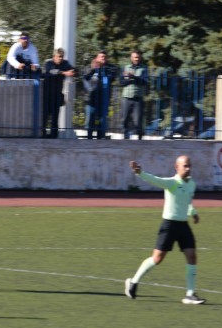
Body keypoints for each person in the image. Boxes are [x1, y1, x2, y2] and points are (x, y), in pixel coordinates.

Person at [124, 156, 206, 304]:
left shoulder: (192, 184)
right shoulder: (171, 183)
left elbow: (187, 202)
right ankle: (133, 282)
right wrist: (140, 172)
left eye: (189, 166)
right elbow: (154, 179)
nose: (188, 169)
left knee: (192, 256)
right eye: (185, 166)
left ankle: (190, 294)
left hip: (183, 225)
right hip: (169, 225)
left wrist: (193, 213)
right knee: (157, 258)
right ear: (177, 167)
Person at [82, 51, 117, 139]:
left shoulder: (109, 68)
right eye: (101, 57)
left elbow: (113, 76)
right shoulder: (90, 67)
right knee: (90, 121)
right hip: (91, 99)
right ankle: (89, 139)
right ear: (96, 58)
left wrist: (103, 68)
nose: (103, 58)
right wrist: (94, 69)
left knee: (102, 121)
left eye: (104, 57)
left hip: (103, 99)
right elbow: (85, 77)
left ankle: (100, 139)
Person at [42, 48, 75, 138]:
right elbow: (51, 71)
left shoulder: (65, 63)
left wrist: (72, 72)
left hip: (57, 95)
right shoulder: (48, 63)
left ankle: (54, 136)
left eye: (62, 57)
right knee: (44, 116)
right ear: (54, 56)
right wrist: (64, 73)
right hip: (47, 94)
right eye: (59, 56)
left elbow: (73, 70)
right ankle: (42, 134)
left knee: (55, 117)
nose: (60, 58)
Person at [120, 50, 149, 139]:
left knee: (138, 121)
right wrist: (129, 79)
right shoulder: (126, 68)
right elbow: (121, 82)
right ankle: (126, 137)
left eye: (138, 57)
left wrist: (134, 77)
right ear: (131, 58)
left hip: (138, 97)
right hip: (126, 97)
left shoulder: (144, 69)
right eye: (135, 57)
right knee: (125, 119)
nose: (137, 59)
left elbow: (144, 82)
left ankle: (140, 139)